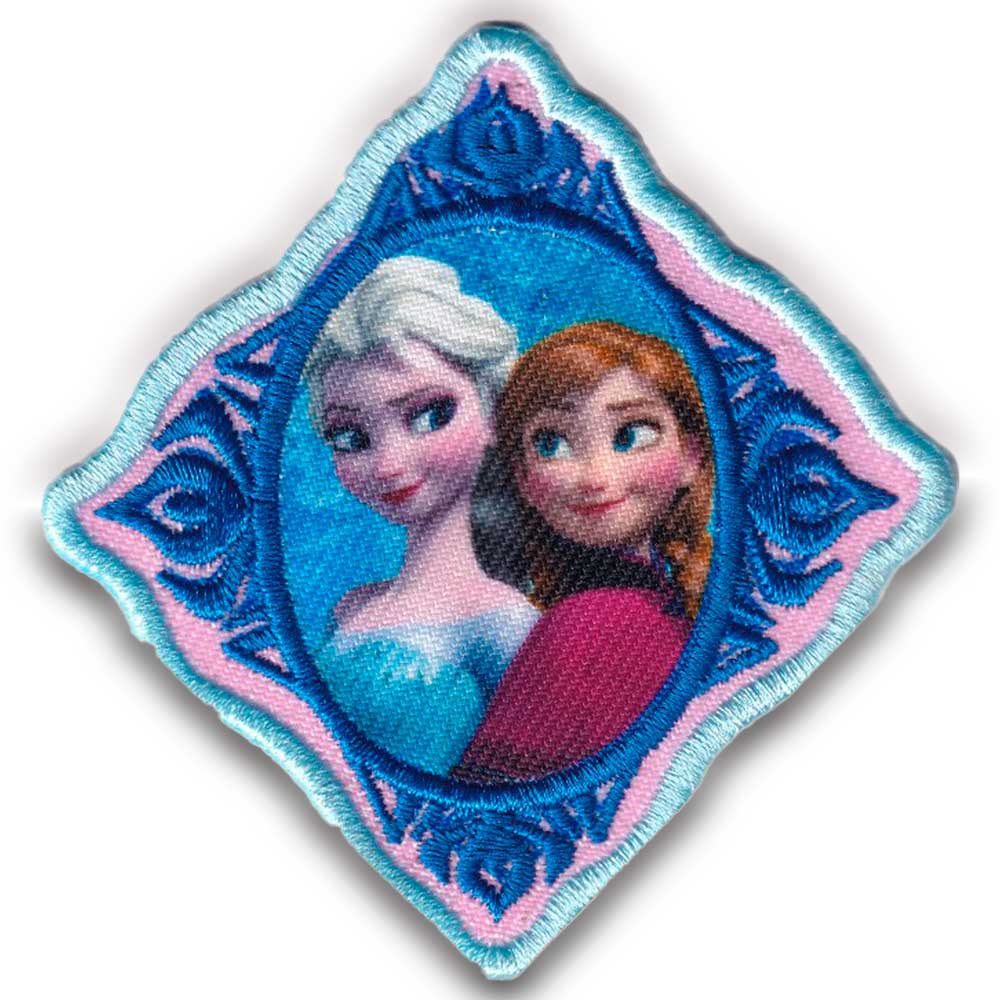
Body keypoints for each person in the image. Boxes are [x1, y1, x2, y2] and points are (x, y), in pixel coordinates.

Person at [304, 255, 539, 775]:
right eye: (351, 438)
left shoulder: (504, 625)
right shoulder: (350, 608)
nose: (389, 465)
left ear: (494, 413)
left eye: (431, 415)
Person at [452, 321, 714, 782]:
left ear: (690, 455)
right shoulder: (588, 623)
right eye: (551, 444)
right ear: (523, 478)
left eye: (630, 435)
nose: (595, 477)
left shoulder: (601, 621)